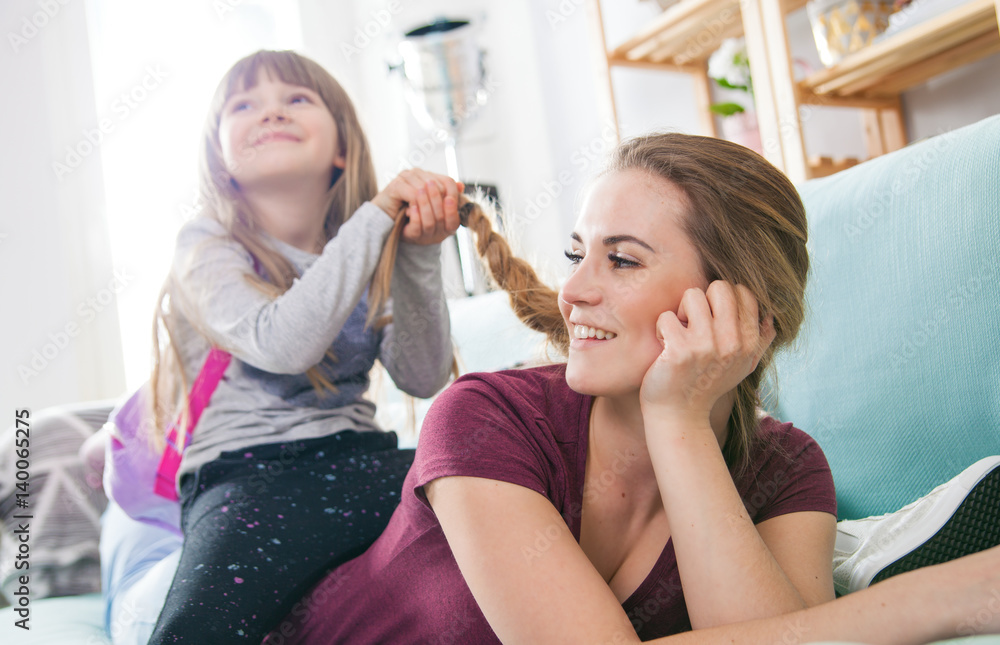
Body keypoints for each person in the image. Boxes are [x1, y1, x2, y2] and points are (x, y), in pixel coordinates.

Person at [268, 132, 1000, 644]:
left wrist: (677, 423)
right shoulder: (485, 416)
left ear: (743, 309)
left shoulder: (786, 468)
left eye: (622, 260)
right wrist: (936, 599)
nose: (573, 290)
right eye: (578, 253)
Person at [98, 48, 465, 645]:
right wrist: (375, 220)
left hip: (364, 459)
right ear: (221, 159)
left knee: (493, 500)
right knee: (198, 629)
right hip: (247, 478)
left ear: (341, 147)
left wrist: (418, 255)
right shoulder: (205, 244)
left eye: (296, 99)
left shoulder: (372, 245)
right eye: (245, 104)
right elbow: (283, 342)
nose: (271, 112)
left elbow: (422, 376)